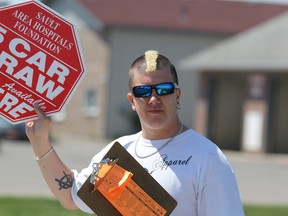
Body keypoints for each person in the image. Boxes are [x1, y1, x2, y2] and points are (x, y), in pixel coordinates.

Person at [26, 50, 245, 216]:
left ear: (177, 95)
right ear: (132, 100)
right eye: (142, 91)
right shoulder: (119, 152)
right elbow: (72, 195)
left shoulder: (208, 157)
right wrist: (40, 143)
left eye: (164, 89)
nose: (153, 98)